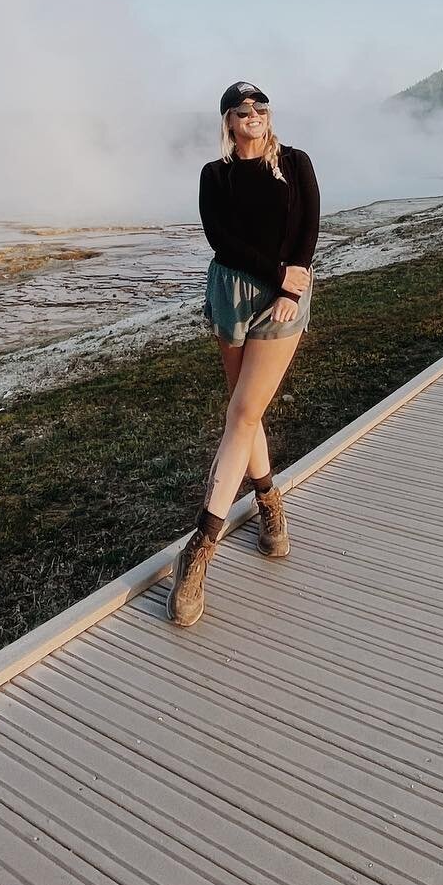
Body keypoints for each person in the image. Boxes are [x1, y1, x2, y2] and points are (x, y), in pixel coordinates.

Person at [167, 81, 320, 627]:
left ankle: (199, 549)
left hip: (282, 301)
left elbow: (307, 230)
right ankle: (269, 503)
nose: (252, 114)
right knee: (243, 410)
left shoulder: (295, 163)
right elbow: (220, 240)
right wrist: (278, 274)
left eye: (260, 106)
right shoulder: (216, 174)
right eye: (241, 109)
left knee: (241, 414)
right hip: (231, 293)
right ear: (228, 122)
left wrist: (289, 286)